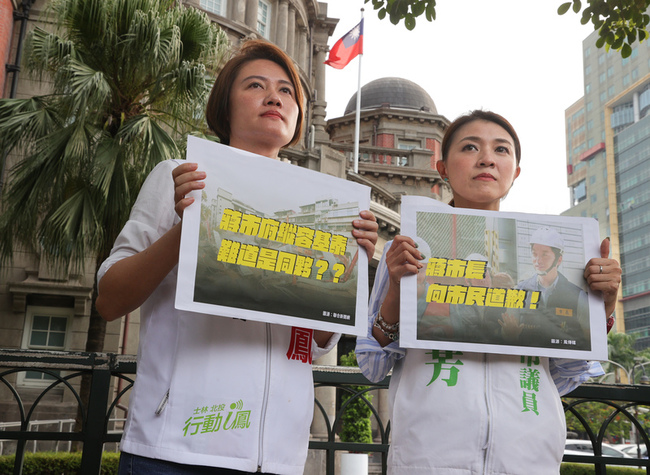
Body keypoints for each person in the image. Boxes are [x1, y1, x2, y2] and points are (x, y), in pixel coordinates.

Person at [96, 40, 378, 475]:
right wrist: (187, 225)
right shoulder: (180, 176)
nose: (274, 97)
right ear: (224, 107)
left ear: (299, 117)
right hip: (174, 448)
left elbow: (317, 345)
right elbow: (110, 299)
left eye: (287, 91)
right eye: (255, 85)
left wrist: (345, 272)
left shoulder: (323, 205)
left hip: (277, 456)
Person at [356, 110, 621, 475]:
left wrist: (600, 308)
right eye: (470, 147)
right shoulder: (407, 250)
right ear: (443, 167)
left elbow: (566, 374)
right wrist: (398, 293)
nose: (487, 159)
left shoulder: (546, 261)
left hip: (529, 457)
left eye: (501, 150)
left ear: (515, 171)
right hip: (430, 455)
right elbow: (373, 364)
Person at [509, 226, 591, 350]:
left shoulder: (578, 297)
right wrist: (509, 335)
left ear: (559, 260)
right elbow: (508, 337)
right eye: (534, 254)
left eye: (544, 255)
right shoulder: (519, 291)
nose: (538, 260)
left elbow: (588, 341)